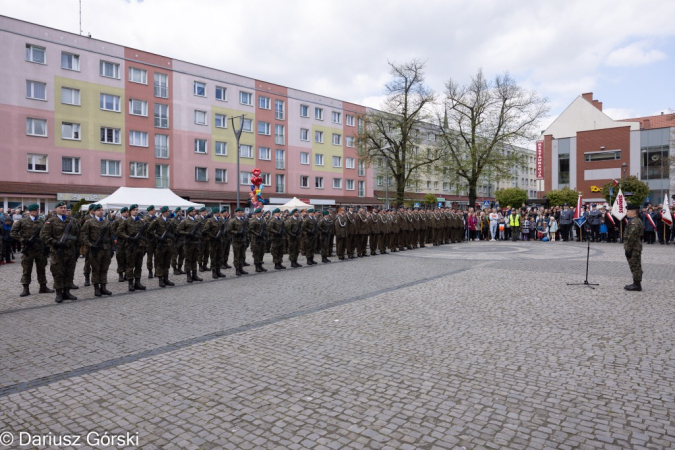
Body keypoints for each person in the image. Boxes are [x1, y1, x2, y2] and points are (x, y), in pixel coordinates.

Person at [40, 201, 79, 303]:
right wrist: (56, 243)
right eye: (61, 207)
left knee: (69, 272)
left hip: (70, 251)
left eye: (65, 207)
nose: (63, 209)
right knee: (58, 273)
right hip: (57, 252)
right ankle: (59, 293)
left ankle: (67, 292)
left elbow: (77, 235)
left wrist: (76, 247)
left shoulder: (72, 221)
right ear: (56, 209)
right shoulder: (51, 221)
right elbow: (44, 236)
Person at [80, 204, 113, 297]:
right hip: (95, 249)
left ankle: (103, 287)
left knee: (104, 269)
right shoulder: (89, 222)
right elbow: (84, 235)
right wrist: (91, 245)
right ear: (94, 211)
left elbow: (110, 236)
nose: (101, 211)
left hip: (106, 249)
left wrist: (112, 248)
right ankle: (96, 288)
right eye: (98, 210)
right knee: (96, 269)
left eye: (102, 210)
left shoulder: (107, 222)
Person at [118, 204, 148, 292]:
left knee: (139, 266)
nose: (136, 211)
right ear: (130, 211)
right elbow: (119, 231)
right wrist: (128, 237)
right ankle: (130, 283)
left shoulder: (141, 222)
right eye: (134, 210)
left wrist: (145, 245)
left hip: (140, 246)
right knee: (130, 266)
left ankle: (137, 282)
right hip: (130, 247)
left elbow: (144, 234)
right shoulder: (126, 221)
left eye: (137, 210)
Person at [148, 206, 177, 286]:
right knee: (159, 262)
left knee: (167, 262)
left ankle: (166, 278)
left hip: (169, 245)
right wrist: (158, 237)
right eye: (167, 211)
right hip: (161, 245)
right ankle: (160, 279)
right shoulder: (157, 220)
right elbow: (149, 230)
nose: (168, 213)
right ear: (164, 212)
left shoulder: (170, 221)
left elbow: (174, 231)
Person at [177, 206, 204, 282]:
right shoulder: (184, 221)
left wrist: (198, 235)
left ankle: (194, 275)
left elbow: (200, 231)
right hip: (188, 243)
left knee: (195, 259)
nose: (194, 212)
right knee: (188, 259)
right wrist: (188, 234)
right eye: (192, 211)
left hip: (196, 243)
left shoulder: (197, 221)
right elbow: (179, 231)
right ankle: (188, 275)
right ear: (188, 212)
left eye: (194, 211)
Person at [623, 204, 644, 291]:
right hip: (635, 247)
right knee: (635, 265)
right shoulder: (635, 220)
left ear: (633, 212)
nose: (626, 213)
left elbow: (632, 237)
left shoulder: (634, 222)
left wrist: (628, 249)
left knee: (634, 265)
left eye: (628, 211)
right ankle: (636, 283)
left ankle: (637, 285)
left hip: (633, 248)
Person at [227, 207, 249, 276]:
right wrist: (237, 233)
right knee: (237, 256)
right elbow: (229, 230)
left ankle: (241, 268)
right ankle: (237, 269)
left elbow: (247, 228)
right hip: (236, 241)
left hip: (243, 240)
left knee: (242, 255)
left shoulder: (243, 220)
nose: (240, 213)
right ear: (236, 213)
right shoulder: (233, 221)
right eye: (238, 212)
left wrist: (245, 231)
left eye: (241, 212)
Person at [112, 206, 129, 282]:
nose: (126, 213)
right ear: (121, 213)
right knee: (120, 258)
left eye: (127, 212)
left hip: (128, 242)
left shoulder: (129, 220)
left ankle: (126, 274)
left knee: (128, 258)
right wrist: (118, 236)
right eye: (125, 212)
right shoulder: (117, 221)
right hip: (120, 242)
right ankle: (120, 274)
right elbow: (113, 231)